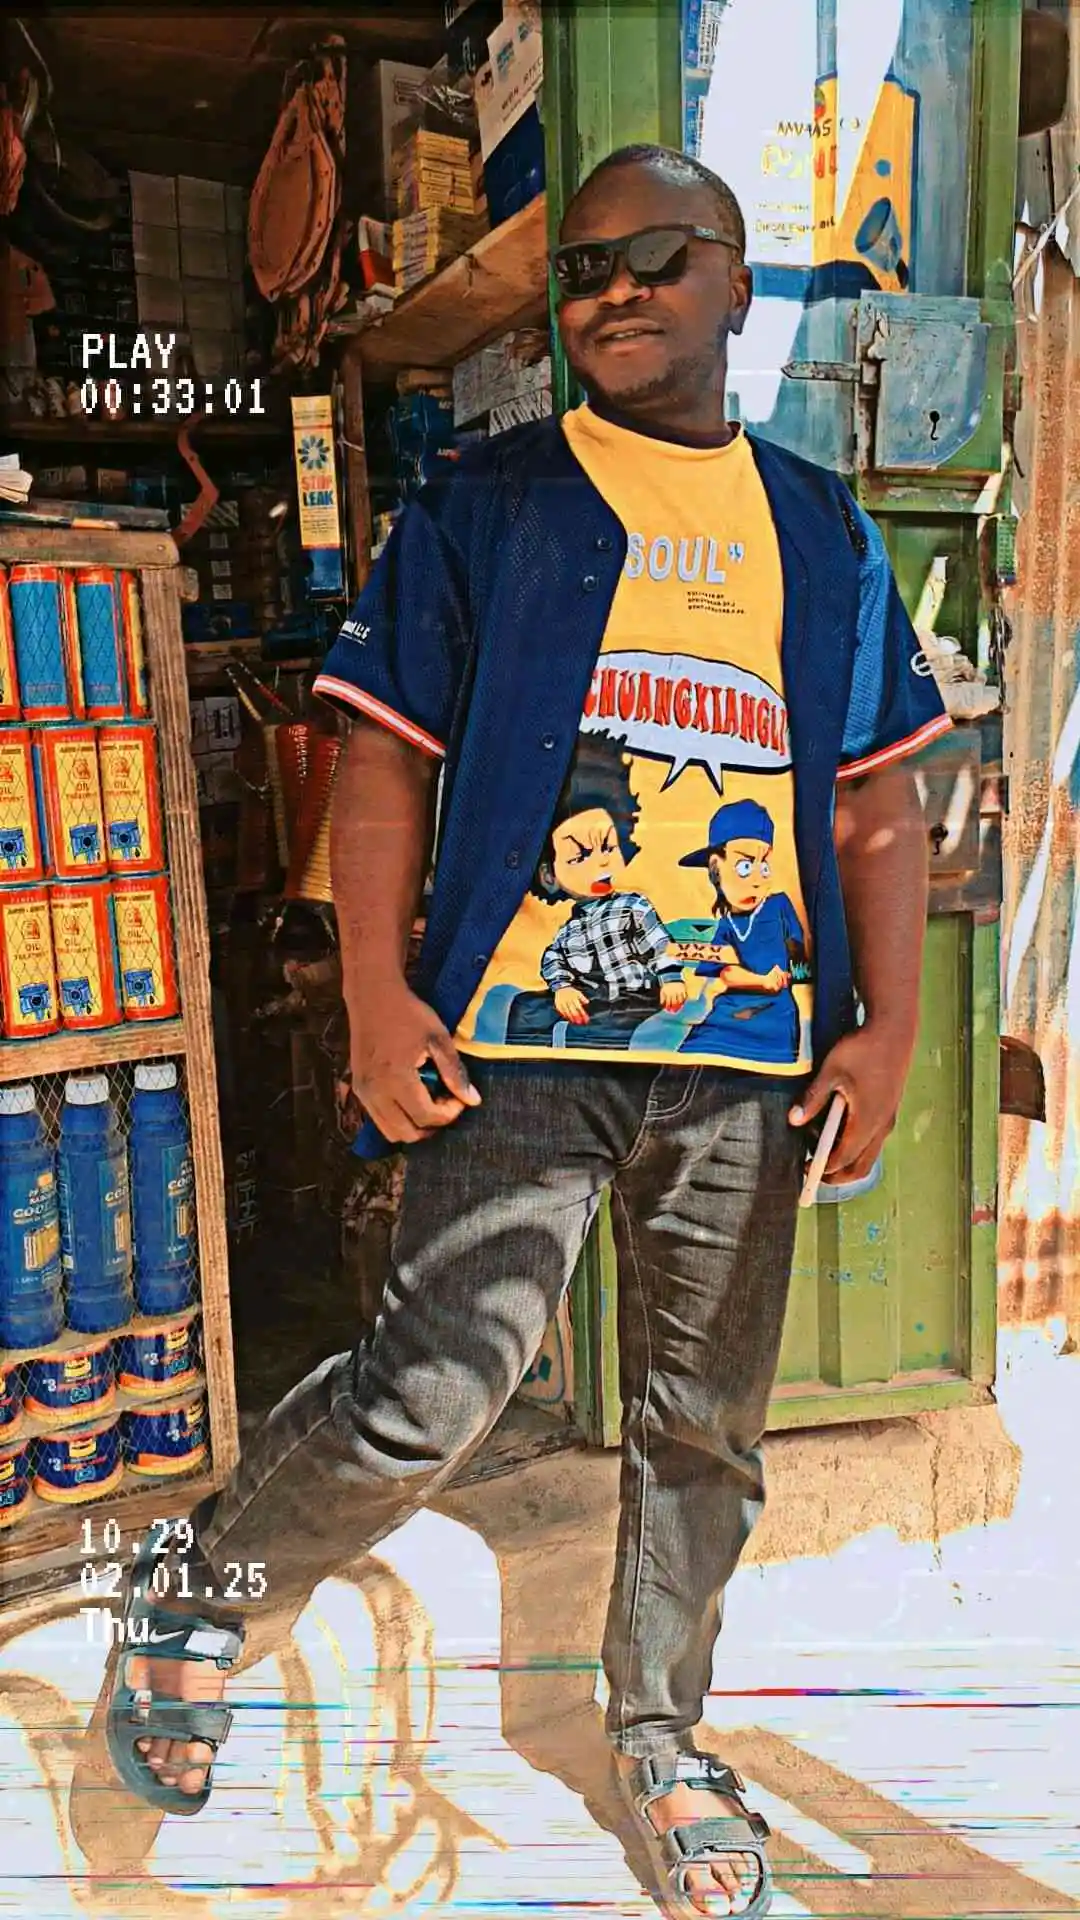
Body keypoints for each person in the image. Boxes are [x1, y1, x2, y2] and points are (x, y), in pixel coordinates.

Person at [96, 145, 949, 1919]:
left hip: (745, 1060)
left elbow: (878, 804)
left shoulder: (821, 530)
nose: (613, 291)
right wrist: (379, 991)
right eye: (584, 269)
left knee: (706, 1426)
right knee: (431, 1394)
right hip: (516, 1039)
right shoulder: (485, 505)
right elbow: (385, 759)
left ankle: (662, 1733)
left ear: (736, 285)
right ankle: (194, 1589)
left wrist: (884, 1032)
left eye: (657, 257)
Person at [675, 797, 808, 1066]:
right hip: (726, 1017)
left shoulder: (779, 906)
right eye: (745, 867)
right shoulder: (726, 925)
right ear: (715, 868)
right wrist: (762, 981)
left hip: (774, 1022)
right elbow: (727, 972)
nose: (758, 880)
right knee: (686, 1056)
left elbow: (800, 958)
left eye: (764, 866)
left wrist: (794, 973)